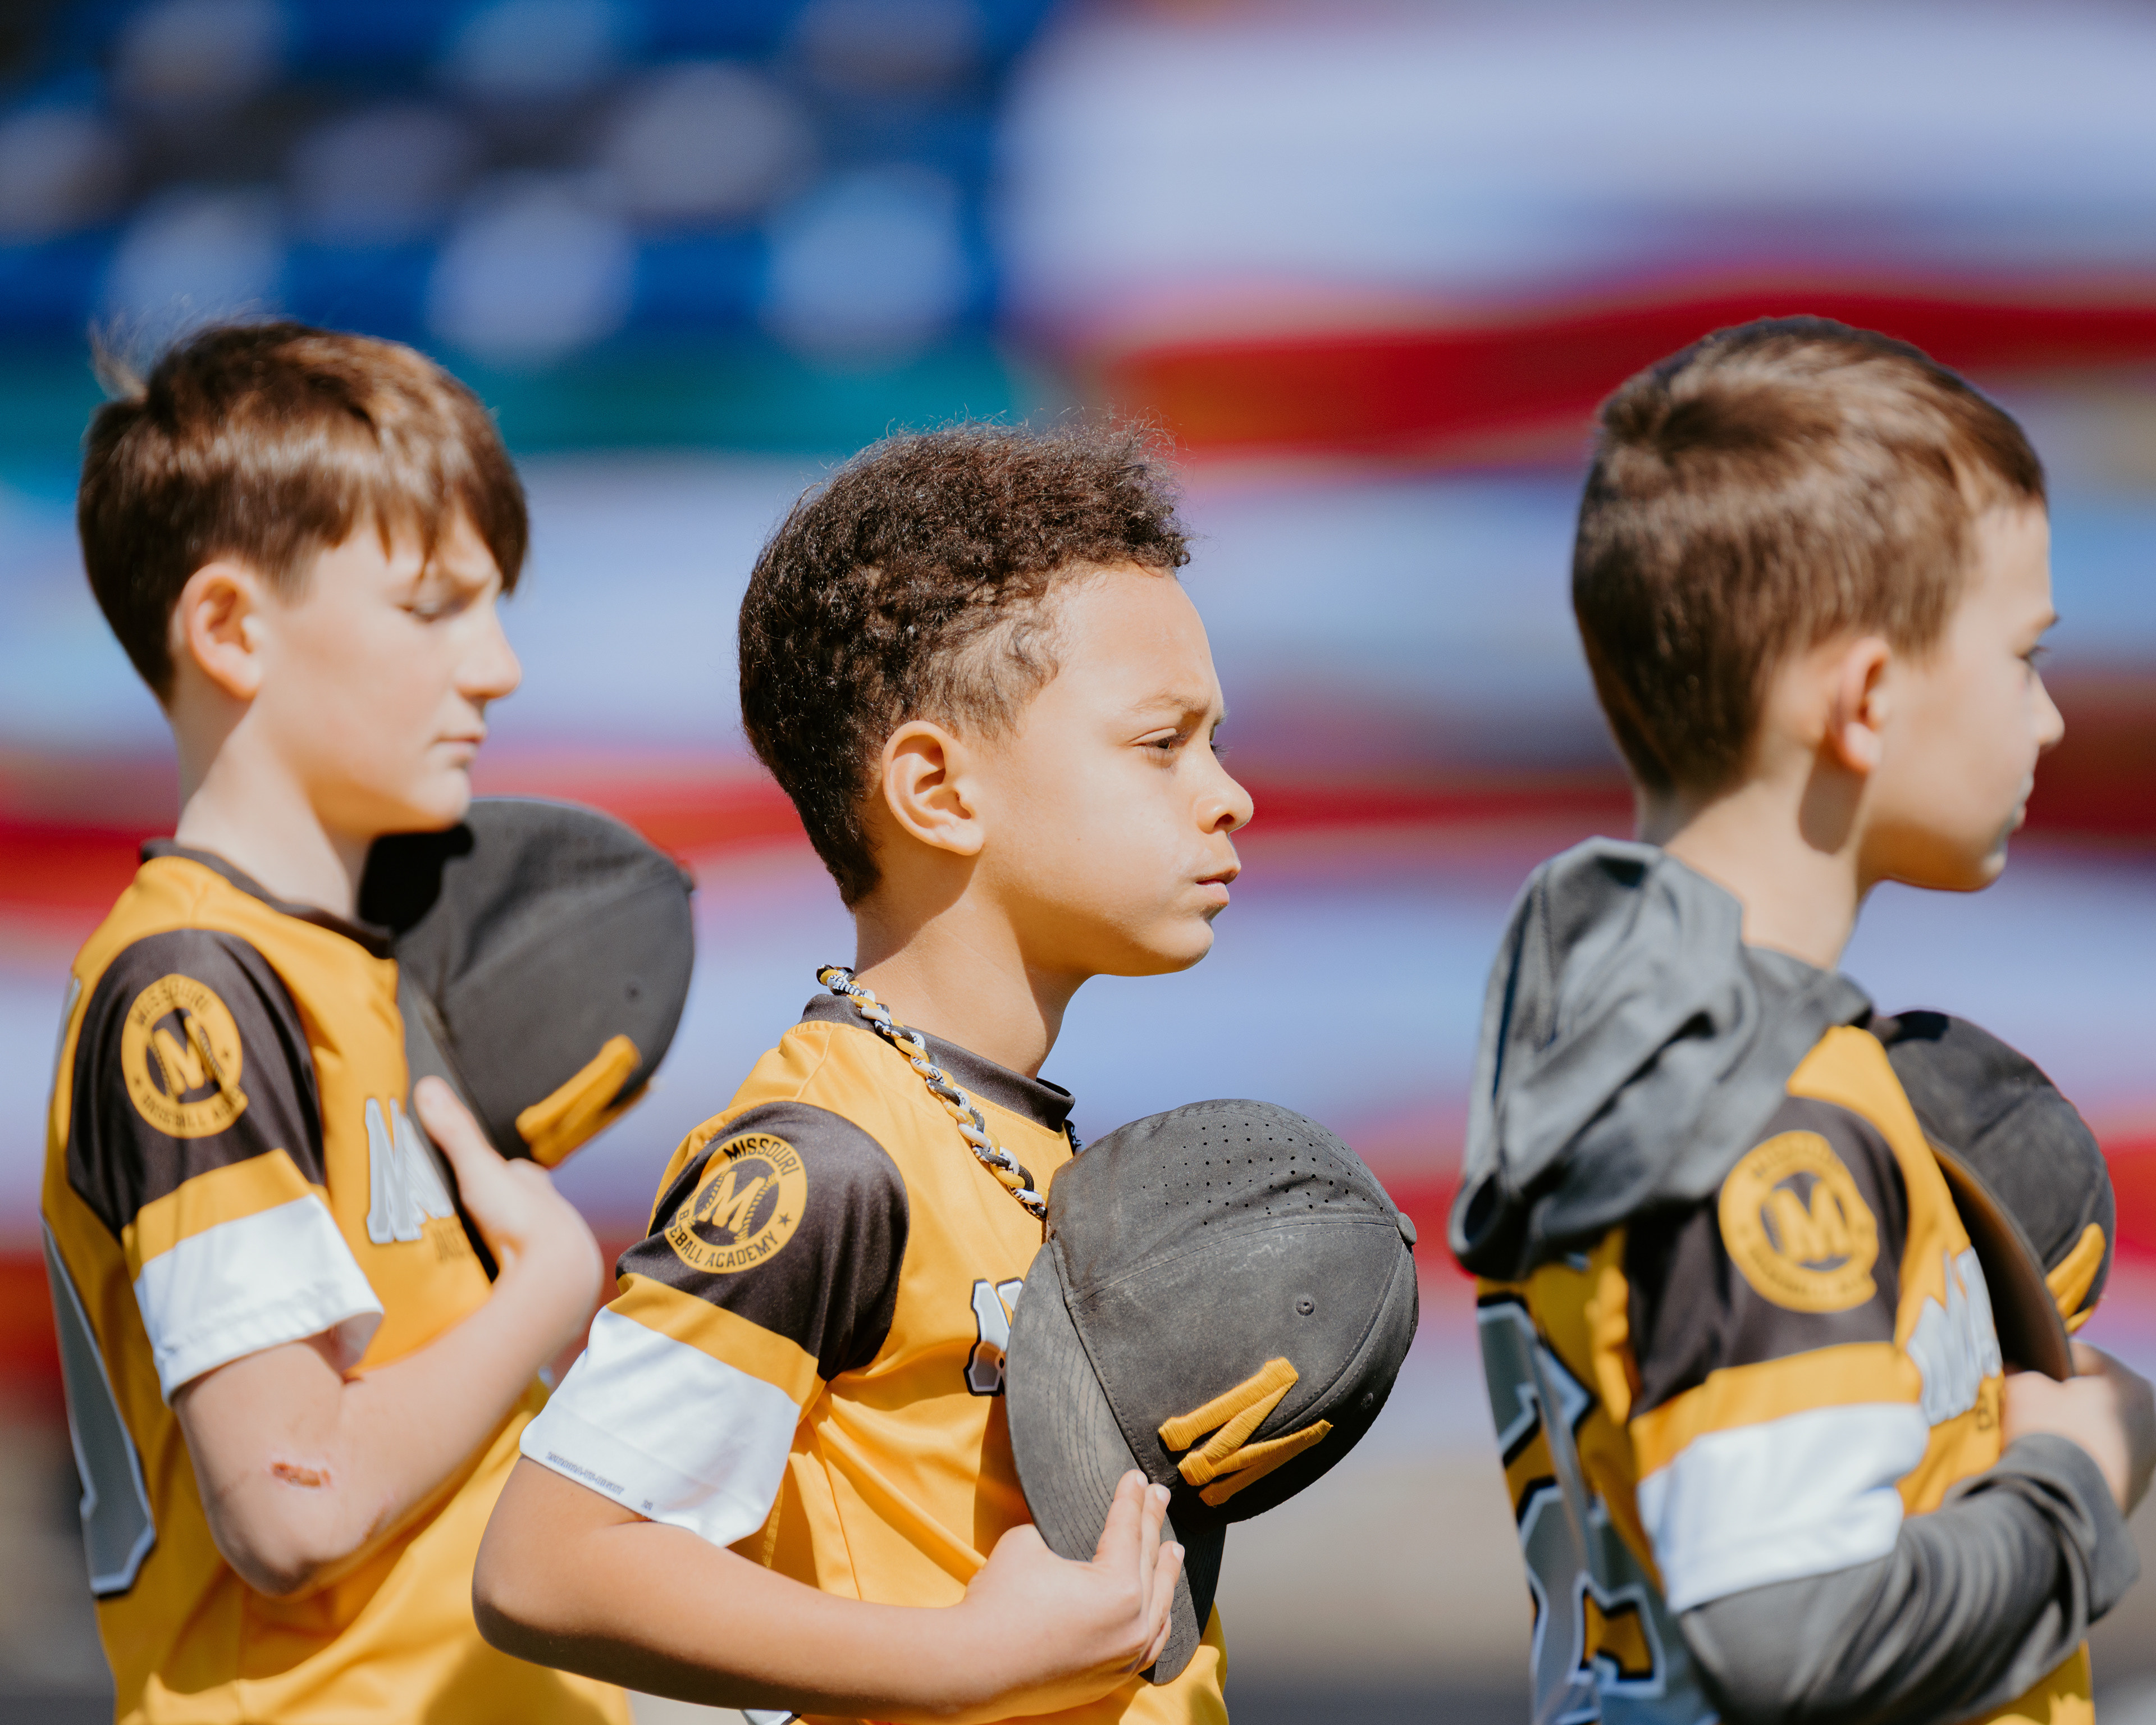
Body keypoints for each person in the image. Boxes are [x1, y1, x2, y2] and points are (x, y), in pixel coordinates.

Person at [472, 423, 1245, 1724]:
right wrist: (971, 1663)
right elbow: (549, 1562)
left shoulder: (1019, 1144)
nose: (1228, 796)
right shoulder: (825, 1161)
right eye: (1163, 743)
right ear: (937, 790)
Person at [1451, 317, 2156, 1725]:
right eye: (2024, 656)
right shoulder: (1767, 1112)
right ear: (1869, 700)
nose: (2050, 720)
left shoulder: (1632, 1037)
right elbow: (1789, 1635)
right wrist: (2074, 1476)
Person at [43, 321, 626, 1724]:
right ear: (232, 628)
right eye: (434, 607)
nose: (498, 668)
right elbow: (295, 1504)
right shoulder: (191, 990)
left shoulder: (364, 973)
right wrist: (546, 1291)